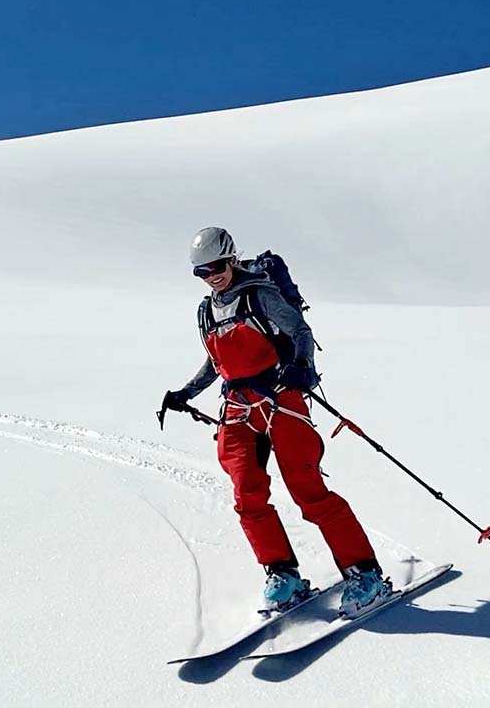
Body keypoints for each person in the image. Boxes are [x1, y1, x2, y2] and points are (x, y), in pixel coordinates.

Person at [163, 227, 388, 617]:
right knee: (246, 494)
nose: (211, 275)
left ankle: (364, 573)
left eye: (216, 266)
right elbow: (217, 365)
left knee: (308, 491)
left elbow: (300, 331)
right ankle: (282, 574)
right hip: (237, 408)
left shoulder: (259, 295)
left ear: (232, 258)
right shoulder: (206, 311)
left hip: (280, 400)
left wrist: (302, 367)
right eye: (201, 271)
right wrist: (185, 393)